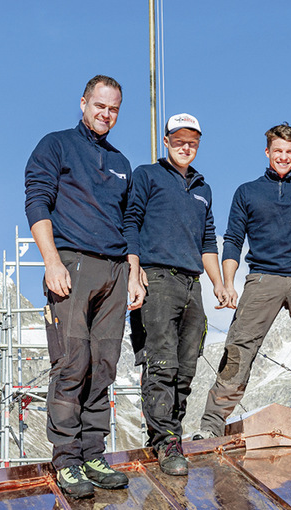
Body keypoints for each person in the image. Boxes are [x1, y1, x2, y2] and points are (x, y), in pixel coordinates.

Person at [24, 75, 141, 499]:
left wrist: (133, 271)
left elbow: (129, 221)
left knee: (104, 365)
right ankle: (67, 460)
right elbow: (36, 201)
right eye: (99, 106)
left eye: (113, 109)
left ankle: (93, 454)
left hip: (115, 272)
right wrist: (51, 261)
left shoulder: (122, 163)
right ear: (83, 103)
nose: (105, 114)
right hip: (72, 265)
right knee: (72, 363)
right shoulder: (55, 145)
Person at [195, 123, 291, 439]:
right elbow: (233, 239)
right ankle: (211, 425)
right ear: (267, 152)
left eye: (290, 152)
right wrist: (228, 283)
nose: (284, 157)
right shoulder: (247, 192)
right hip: (263, 278)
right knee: (239, 346)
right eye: (278, 151)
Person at [127, 113, 229, 476]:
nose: (186, 147)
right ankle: (165, 442)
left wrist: (219, 282)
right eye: (180, 140)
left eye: (192, 142)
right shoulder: (147, 175)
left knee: (186, 367)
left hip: (192, 284)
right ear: (166, 141)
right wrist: (133, 270)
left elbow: (207, 240)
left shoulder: (203, 189)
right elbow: (130, 222)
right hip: (156, 278)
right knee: (161, 363)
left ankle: (171, 437)